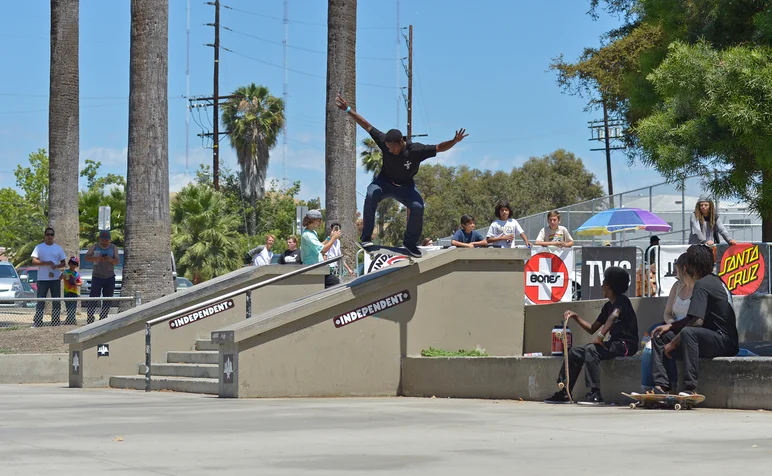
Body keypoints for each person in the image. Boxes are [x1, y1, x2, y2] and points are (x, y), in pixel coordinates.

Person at [335, 93, 468, 258]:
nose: (390, 150)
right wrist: (348, 109)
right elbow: (367, 125)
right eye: (388, 148)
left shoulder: (416, 150)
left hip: (406, 187)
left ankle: (410, 242)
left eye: (393, 148)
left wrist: (454, 141)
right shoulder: (384, 141)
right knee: (371, 195)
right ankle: (366, 238)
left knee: (418, 207)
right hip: (383, 183)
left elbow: (439, 147)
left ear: (400, 143)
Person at [650, 244, 739, 396]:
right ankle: (661, 385)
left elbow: (696, 323)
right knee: (661, 334)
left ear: (691, 266)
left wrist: (673, 343)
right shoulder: (712, 280)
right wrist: (670, 327)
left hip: (724, 341)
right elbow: (692, 318)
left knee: (688, 333)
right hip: (710, 337)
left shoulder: (702, 284)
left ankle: (690, 388)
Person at [544, 266, 639, 405]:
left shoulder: (622, 301)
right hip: (614, 344)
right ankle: (565, 391)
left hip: (626, 345)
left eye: (603, 283)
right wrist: (575, 316)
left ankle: (595, 393)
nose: (601, 286)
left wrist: (600, 337)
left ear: (608, 287)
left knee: (592, 350)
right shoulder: (607, 306)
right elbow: (592, 328)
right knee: (575, 352)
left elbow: (614, 316)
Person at [639, 253, 692, 392]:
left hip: (689, 328)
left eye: (677, 269)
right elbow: (667, 312)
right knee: (654, 340)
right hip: (674, 325)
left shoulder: (697, 287)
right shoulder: (677, 286)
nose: (675, 272)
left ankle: (673, 384)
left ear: (684, 268)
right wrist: (670, 325)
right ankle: (658, 385)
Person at [30, 227, 67, 327]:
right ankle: (38, 321)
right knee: (41, 300)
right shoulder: (39, 247)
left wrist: (56, 266)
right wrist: (46, 263)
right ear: (45, 236)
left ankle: (55, 321)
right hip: (42, 278)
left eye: (51, 234)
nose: (49, 236)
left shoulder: (58, 248)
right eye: (48, 234)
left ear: (54, 236)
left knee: (56, 300)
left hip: (55, 278)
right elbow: (34, 261)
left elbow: (64, 263)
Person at [84, 230, 120, 323]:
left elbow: (117, 261)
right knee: (94, 297)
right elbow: (86, 258)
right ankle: (90, 316)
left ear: (110, 240)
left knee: (107, 298)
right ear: (100, 239)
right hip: (97, 276)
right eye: (103, 240)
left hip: (109, 276)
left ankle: (103, 316)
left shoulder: (113, 248)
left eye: (106, 240)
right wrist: (96, 258)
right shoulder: (94, 247)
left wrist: (110, 259)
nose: (105, 242)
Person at [300, 210, 342, 288]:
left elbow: (319, 246)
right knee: (335, 282)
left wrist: (329, 238)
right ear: (312, 220)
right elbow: (323, 250)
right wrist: (334, 238)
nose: (320, 223)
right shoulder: (308, 235)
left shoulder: (313, 233)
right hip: (312, 268)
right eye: (319, 221)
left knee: (334, 282)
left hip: (318, 267)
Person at [60, 256, 82, 326]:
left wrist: (76, 283)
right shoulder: (66, 272)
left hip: (74, 292)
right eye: (72, 263)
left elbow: (80, 283)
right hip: (67, 292)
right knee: (68, 307)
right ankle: (70, 319)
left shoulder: (77, 274)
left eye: (75, 264)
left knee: (73, 307)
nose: (73, 265)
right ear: (69, 264)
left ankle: (71, 320)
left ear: (76, 265)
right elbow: (60, 278)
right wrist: (62, 273)